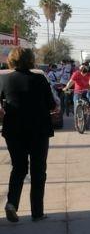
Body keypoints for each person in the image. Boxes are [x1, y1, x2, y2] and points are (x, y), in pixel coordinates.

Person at [0, 48, 57, 222]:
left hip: (14, 130)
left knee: (18, 167)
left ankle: (12, 203)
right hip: (38, 130)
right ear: (31, 60)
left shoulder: (5, 80)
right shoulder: (39, 79)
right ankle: (37, 212)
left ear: (11, 61)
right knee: (38, 170)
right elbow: (51, 104)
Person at [63, 64, 90, 128]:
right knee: (76, 106)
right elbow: (71, 82)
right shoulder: (76, 73)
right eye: (82, 72)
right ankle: (77, 123)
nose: (84, 74)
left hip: (86, 91)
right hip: (77, 91)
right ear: (80, 70)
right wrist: (66, 87)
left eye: (85, 72)